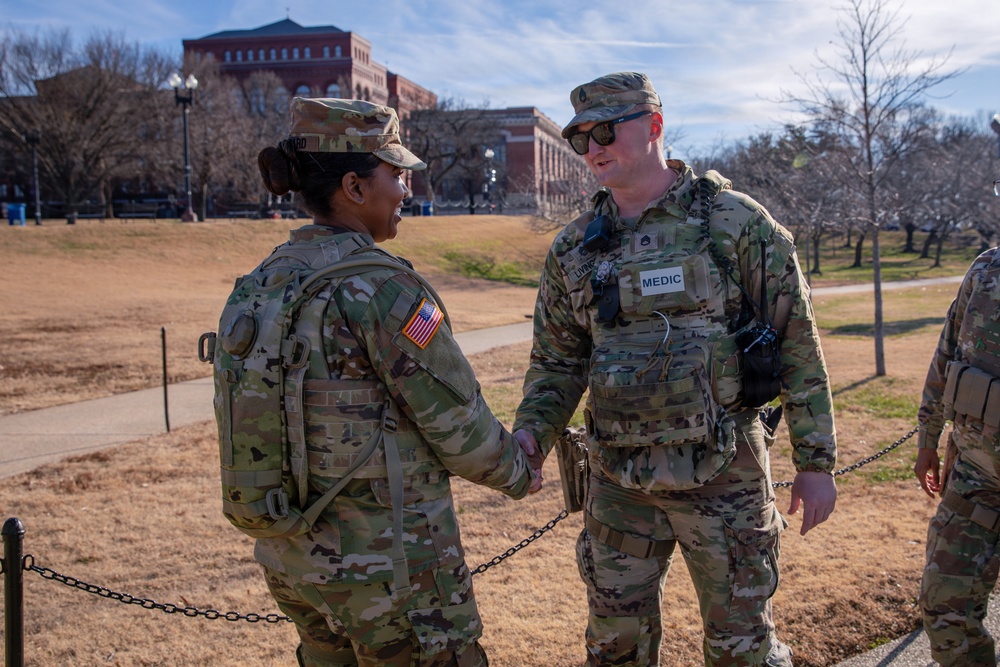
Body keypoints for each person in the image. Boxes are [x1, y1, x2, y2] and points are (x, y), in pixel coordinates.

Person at [512, 72, 838, 666]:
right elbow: (557, 361)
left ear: (655, 125)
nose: (593, 148)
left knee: (742, 648)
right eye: (580, 138)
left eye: (607, 129)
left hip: (725, 472)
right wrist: (533, 432)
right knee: (615, 649)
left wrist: (816, 462)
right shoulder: (575, 248)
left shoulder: (734, 223)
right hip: (617, 479)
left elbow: (797, 343)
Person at [237, 98, 534, 667]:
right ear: (353, 186)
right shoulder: (382, 290)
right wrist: (519, 470)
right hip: (392, 574)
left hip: (294, 561)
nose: (407, 189)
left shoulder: (263, 282)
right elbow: (459, 428)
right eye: (396, 174)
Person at [914, 172, 1000, 666]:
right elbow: (947, 356)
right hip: (975, 475)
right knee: (945, 604)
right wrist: (928, 435)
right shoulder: (985, 271)